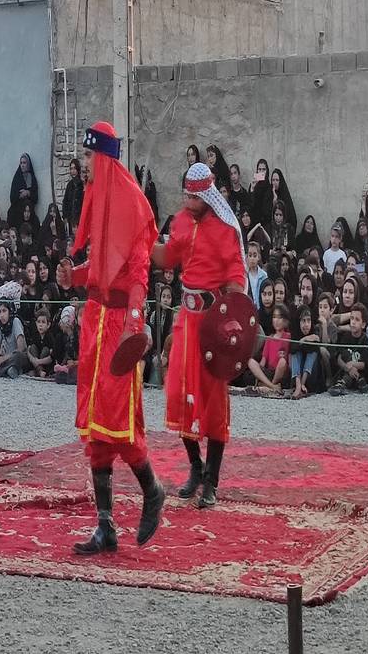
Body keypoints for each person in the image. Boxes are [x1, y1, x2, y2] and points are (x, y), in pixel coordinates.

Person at [55, 121, 163, 555]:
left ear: (101, 157)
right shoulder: (97, 200)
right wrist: (73, 277)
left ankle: (153, 490)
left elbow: (138, 275)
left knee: (119, 424)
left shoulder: (132, 208)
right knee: (97, 428)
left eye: (86, 157)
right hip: (95, 322)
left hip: (120, 325)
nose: (82, 166)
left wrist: (136, 324)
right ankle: (106, 526)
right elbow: (98, 272)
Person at [155, 161, 246, 509]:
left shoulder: (224, 229)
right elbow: (167, 258)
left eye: (193, 197)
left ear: (207, 196)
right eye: (186, 196)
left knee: (213, 399)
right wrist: (144, 238)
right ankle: (196, 466)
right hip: (185, 320)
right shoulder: (179, 221)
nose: (187, 202)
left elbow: (236, 274)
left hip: (213, 321)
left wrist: (235, 317)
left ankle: (212, 481)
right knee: (179, 391)